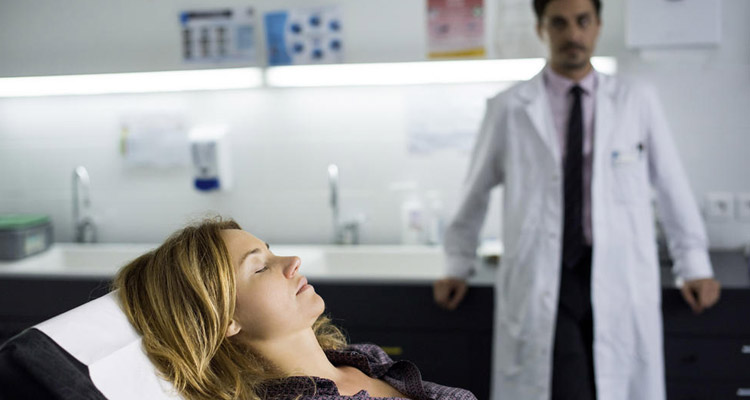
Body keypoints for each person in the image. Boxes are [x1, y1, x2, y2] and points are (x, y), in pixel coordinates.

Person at [432, 0, 721, 399]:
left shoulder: (636, 100)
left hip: (618, 272)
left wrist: (694, 265)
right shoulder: (509, 109)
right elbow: (474, 193)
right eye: (559, 23)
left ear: (598, 25)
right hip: (546, 277)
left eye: (582, 21)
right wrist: (456, 264)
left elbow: (671, 185)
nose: (572, 35)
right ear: (541, 28)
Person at [113, 217, 477, 400]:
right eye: (260, 266)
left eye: (272, 251)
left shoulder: (363, 359)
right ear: (225, 319)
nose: (293, 261)